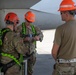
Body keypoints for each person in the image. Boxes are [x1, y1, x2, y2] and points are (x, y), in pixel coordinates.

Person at [51, 0, 76, 75]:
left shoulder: (60, 29)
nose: (60, 15)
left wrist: (60, 62)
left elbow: (54, 52)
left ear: (66, 13)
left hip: (63, 67)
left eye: (61, 13)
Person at [16, 11, 43, 75]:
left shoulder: (35, 28)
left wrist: (38, 37)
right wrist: (23, 39)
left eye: (31, 22)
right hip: (23, 54)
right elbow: (15, 39)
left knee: (30, 71)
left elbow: (41, 35)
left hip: (32, 54)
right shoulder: (19, 28)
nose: (29, 23)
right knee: (21, 72)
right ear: (25, 19)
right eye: (28, 21)